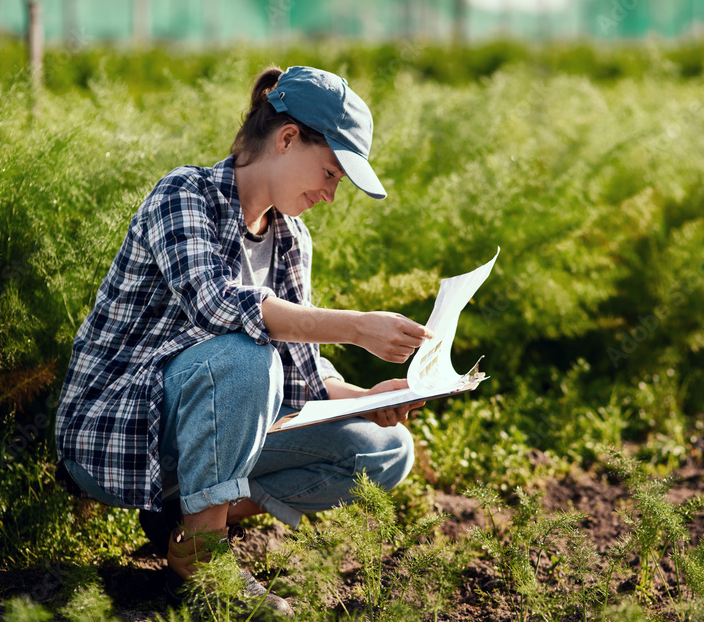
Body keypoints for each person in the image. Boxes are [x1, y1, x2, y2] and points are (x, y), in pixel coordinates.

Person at [53, 65, 433, 613]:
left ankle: (182, 521)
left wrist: (373, 400)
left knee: (385, 451)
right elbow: (217, 306)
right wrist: (356, 326)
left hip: (204, 435)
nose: (330, 194)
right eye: (330, 173)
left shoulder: (290, 239)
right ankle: (206, 567)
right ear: (286, 138)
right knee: (244, 355)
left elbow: (301, 377)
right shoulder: (183, 194)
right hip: (116, 436)